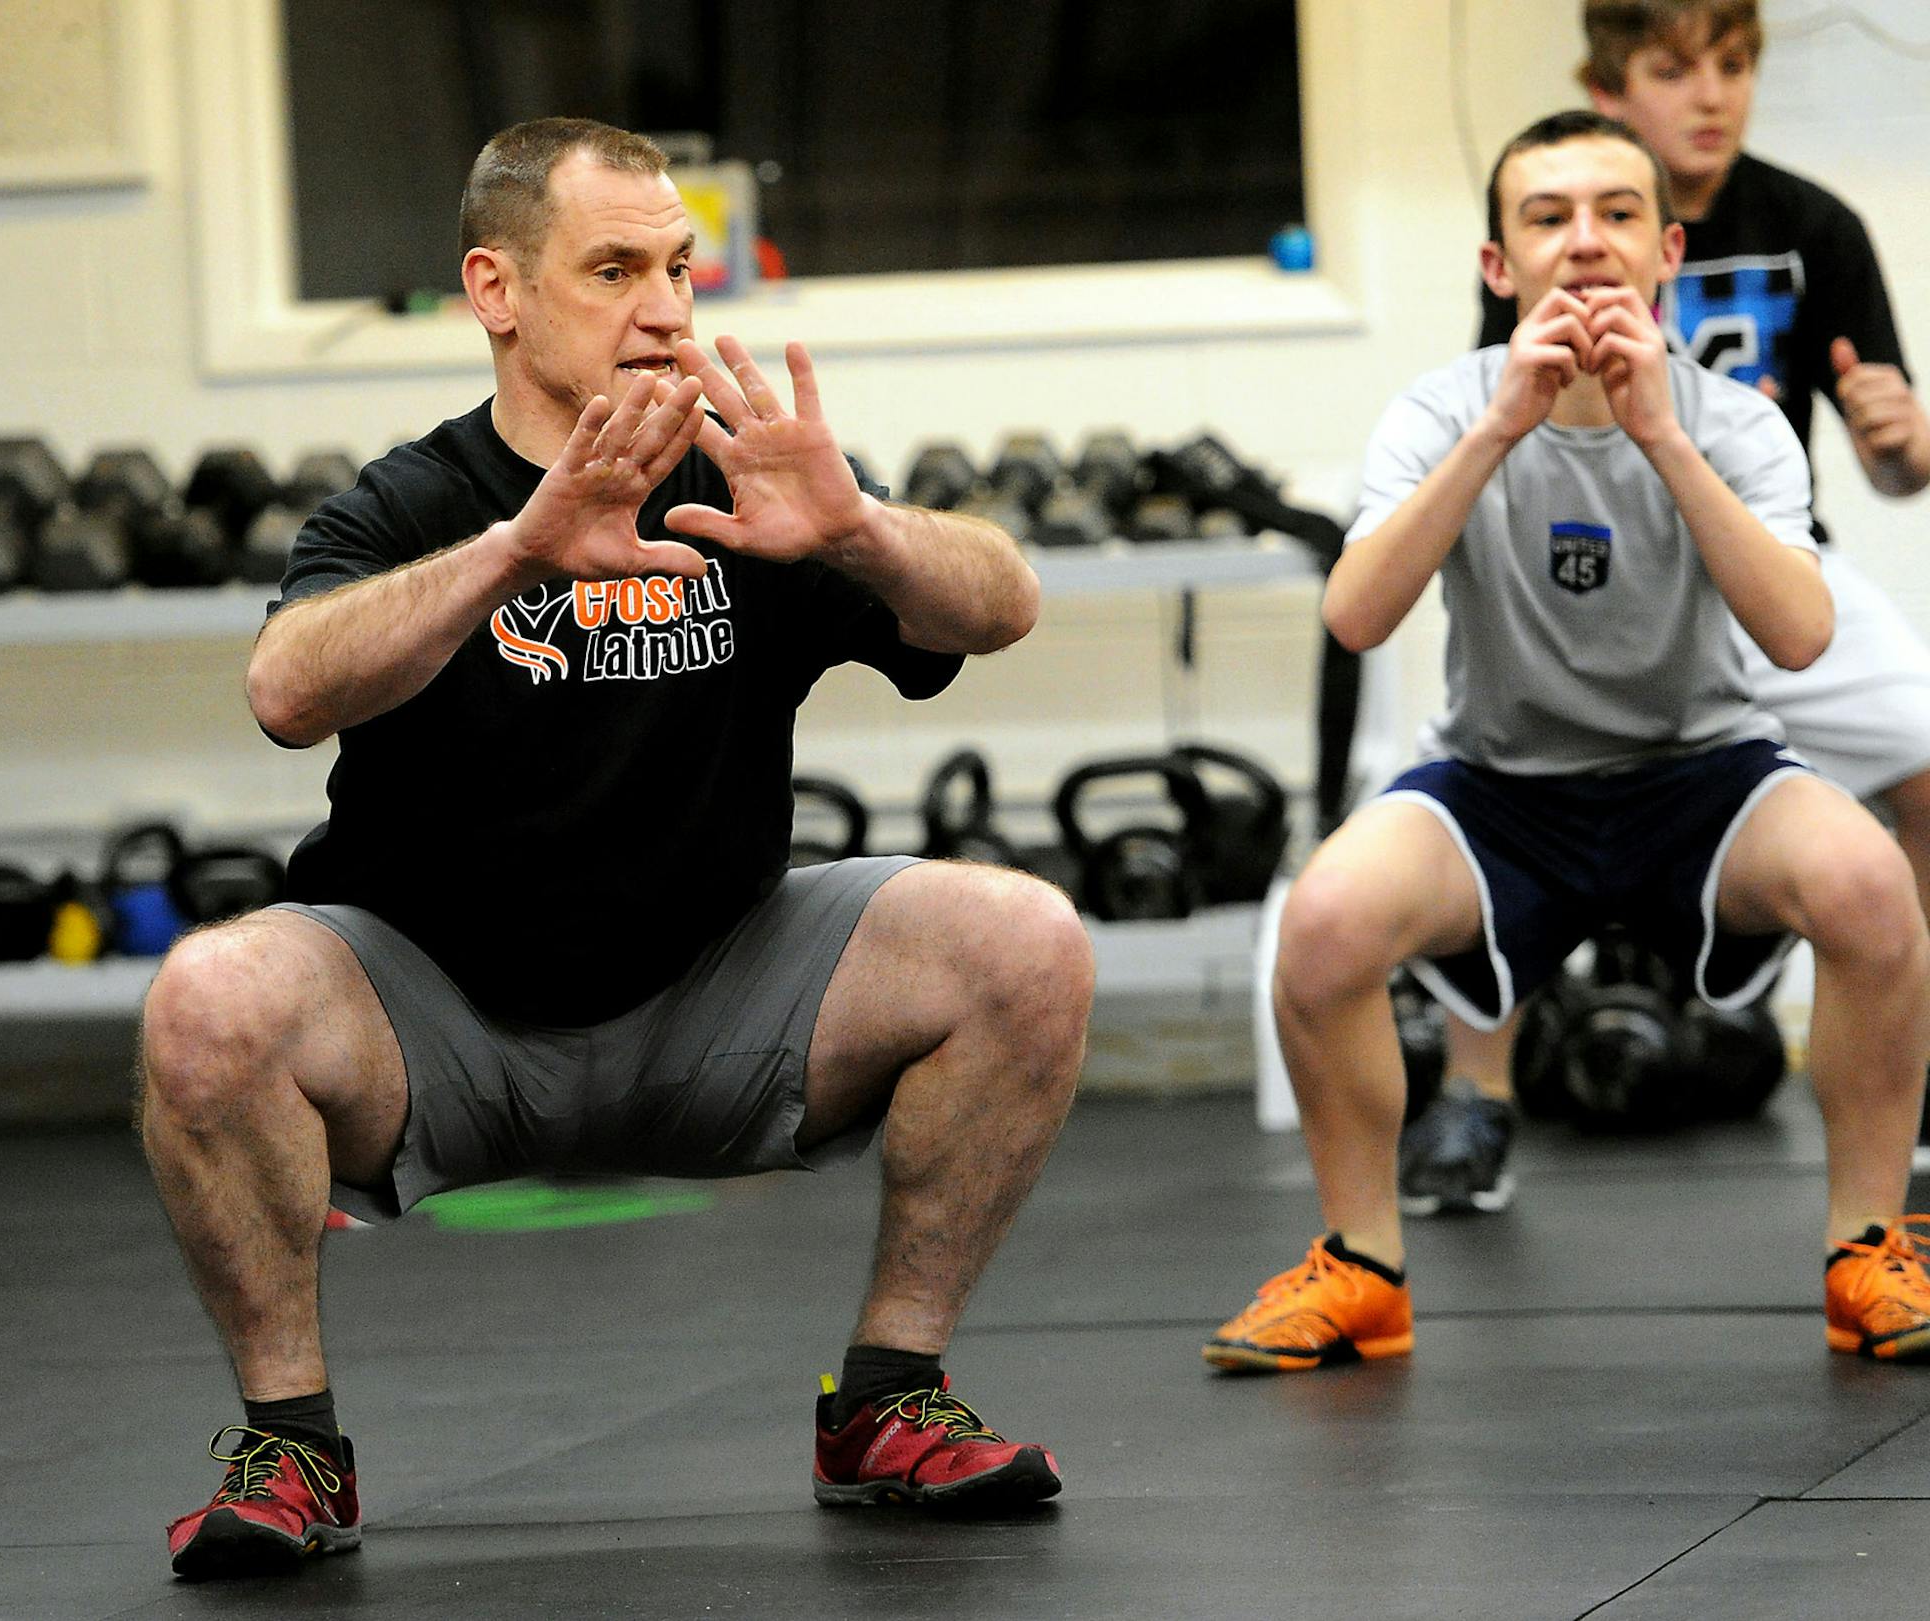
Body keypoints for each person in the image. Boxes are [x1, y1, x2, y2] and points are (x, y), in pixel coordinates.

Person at [139, 116, 1094, 1581]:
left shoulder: (746, 480)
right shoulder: (409, 503)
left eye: (678, 268)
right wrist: (516, 551)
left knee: (1028, 942)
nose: (663, 308)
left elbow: (1003, 603)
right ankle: (293, 1448)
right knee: (205, 999)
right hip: (434, 1020)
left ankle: (890, 1399)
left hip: (719, 993)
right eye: (613, 270)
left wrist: (857, 529)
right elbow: (285, 689)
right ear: (497, 290)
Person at [1203, 109, 1930, 1375]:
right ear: (1501, 265)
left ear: (1667, 252)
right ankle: (1363, 1267)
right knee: (1323, 925)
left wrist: (1659, 433)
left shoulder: (1734, 421)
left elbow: (1802, 634)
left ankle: (1866, 1247)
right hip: (1500, 788)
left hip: (1702, 775)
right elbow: (1357, 615)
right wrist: (1500, 426)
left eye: (1618, 214)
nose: (1585, 241)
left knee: (1871, 883)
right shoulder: (1438, 413)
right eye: (1549, 218)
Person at [1403, 0, 1930, 1216]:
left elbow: (1893, 464)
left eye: (1734, 66)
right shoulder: (1558, 228)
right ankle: (1477, 1094)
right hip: (1591, 559)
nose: (1713, 95)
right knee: (1495, 770)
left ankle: (1914, 1059)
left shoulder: (1814, 225)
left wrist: (1905, 446)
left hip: (1760, 563)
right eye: (1676, 69)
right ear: (1610, 87)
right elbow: (1500, 424)